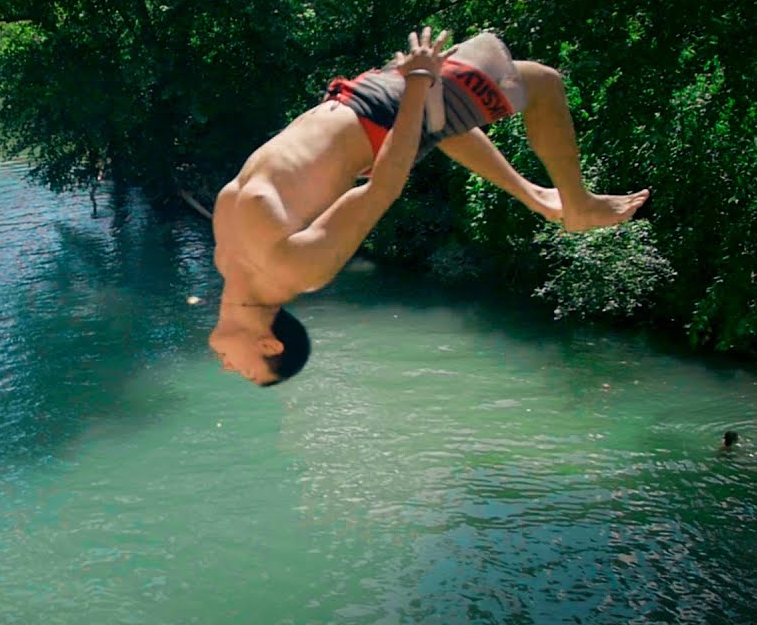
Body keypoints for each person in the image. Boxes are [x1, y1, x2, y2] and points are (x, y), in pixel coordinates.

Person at [209, 27, 649, 386]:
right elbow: (381, 189)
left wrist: (418, 86)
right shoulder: (295, 272)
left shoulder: (227, 261)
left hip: (359, 98)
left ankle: (538, 198)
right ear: (270, 346)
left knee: (439, 125)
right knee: (542, 82)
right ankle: (577, 206)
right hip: (385, 111)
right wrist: (419, 82)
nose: (230, 369)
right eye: (247, 372)